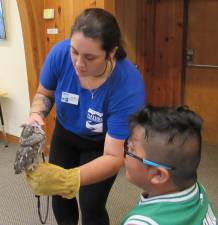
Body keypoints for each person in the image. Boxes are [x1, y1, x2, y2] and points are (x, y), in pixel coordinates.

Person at [25, 8, 145, 225]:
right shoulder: (60, 54)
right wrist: (36, 114)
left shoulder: (128, 85)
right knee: (60, 197)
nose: (78, 63)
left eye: (89, 57)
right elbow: (44, 94)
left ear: (111, 53)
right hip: (65, 134)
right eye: (75, 52)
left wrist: (69, 178)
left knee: (91, 204)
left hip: (101, 146)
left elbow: (113, 157)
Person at [120, 105, 217, 225]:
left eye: (131, 149)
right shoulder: (199, 191)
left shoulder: (141, 223)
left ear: (158, 175)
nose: (125, 150)